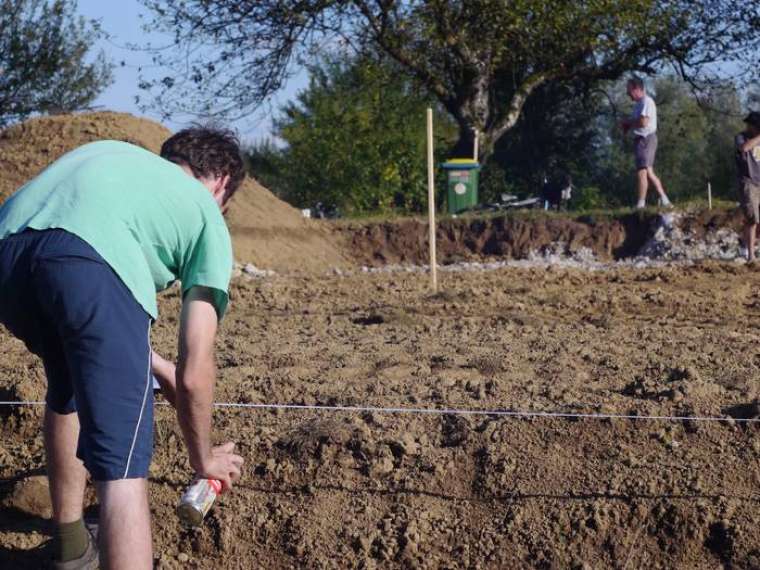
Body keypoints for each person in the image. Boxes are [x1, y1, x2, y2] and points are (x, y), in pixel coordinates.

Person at [0, 127, 246, 569]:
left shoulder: (112, 155)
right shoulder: (207, 217)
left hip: (8, 260)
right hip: (89, 266)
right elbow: (196, 368)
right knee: (123, 465)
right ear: (222, 184)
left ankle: (72, 549)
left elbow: (60, 257)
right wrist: (203, 456)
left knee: (69, 382)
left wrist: (151, 363)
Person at [620, 76, 672, 209]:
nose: (627, 94)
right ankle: (665, 200)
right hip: (640, 140)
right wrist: (627, 125)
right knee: (648, 171)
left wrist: (629, 123)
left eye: (629, 90)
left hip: (646, 138)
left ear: (636, 89)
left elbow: (643, 122)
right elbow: (636, 122)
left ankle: (641, 204)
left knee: (642, 171)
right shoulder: (638, 105)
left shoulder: (647, 102)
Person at [736, 111, 760, 261]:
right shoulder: (740, 137)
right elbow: (744, 148)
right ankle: (750, 256)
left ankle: (747, 245)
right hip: (748, 182)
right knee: (752, 218)